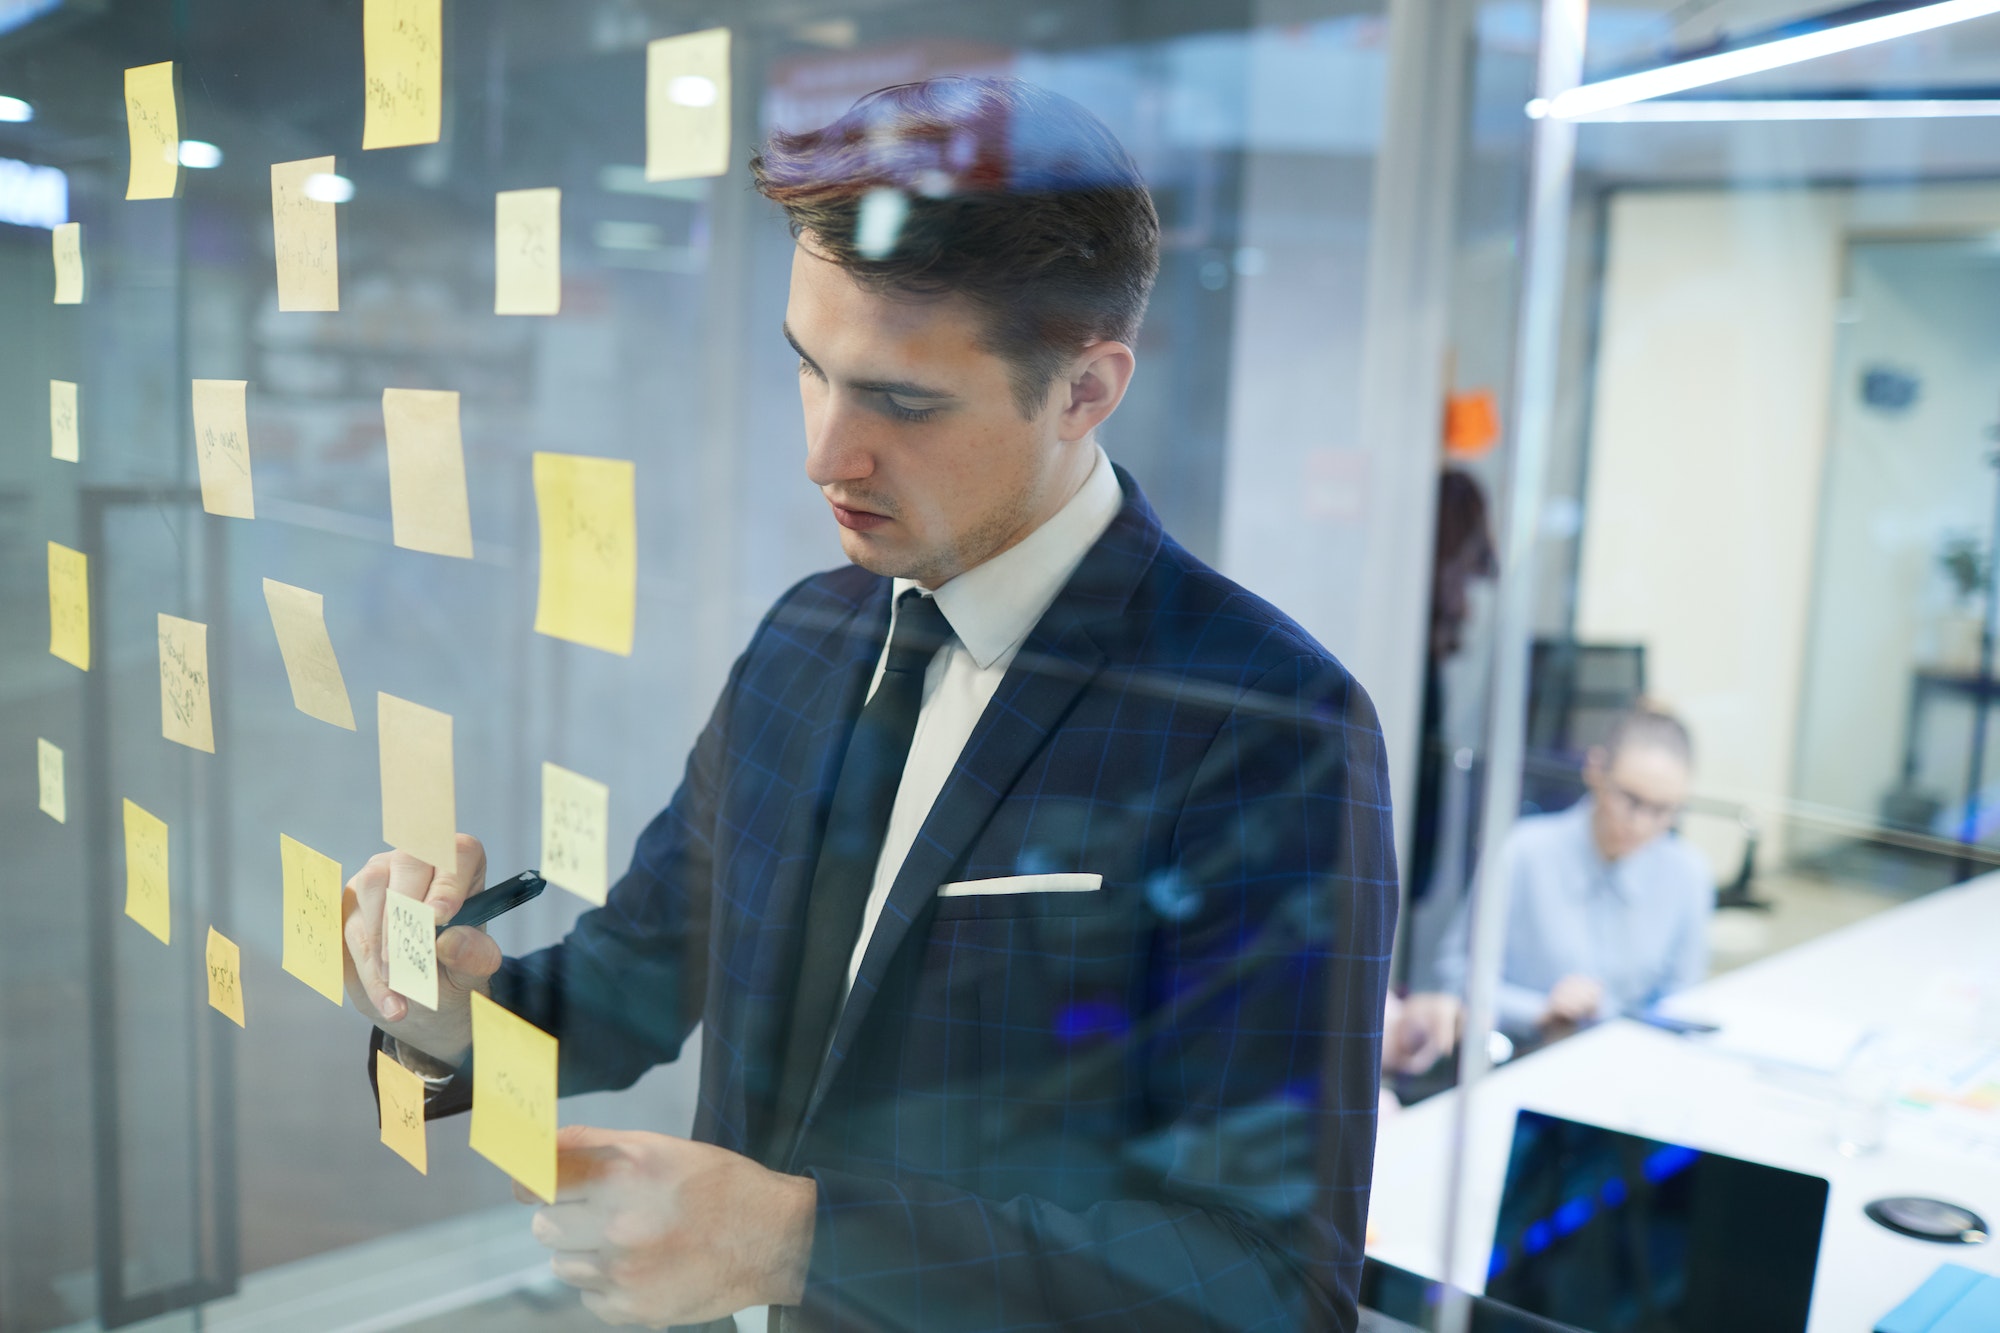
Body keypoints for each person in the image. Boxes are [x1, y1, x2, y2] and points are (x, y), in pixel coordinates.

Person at [342, 79, 1396, 1331]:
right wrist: (452, 1018)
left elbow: (1274, 1281)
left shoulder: (1264, 723)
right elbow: (636, 975)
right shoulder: (809, 632)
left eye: (899, 401)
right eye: (809, 370)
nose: (824, 454)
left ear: (1083, 389)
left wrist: (797, 1247)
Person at [1435, 706, 1713, 1041]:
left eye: (1663, 810)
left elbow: (1681, 1005)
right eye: (1630, 799)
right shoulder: (1524, 852)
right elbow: (1456, 973)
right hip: (1527, 1053)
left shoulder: (1688, 875)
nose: (1640, 824)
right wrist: (1539, 1009)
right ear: (1595, 770)